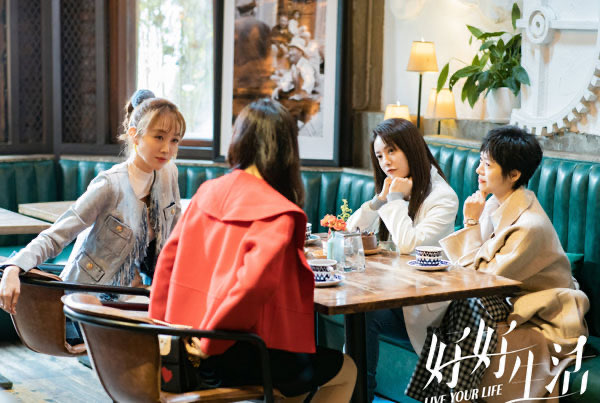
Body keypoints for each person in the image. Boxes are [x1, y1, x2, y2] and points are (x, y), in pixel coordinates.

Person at [149, 98, 356, 401]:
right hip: (234, 352)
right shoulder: (279, 212)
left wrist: (160, 334)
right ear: (287, 150)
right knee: (345, 368)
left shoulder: (207, 192)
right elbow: (250, 287)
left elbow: (167, 263)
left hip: (185, 348)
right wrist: (210, 343)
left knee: (296, 384)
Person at [416, 126, 588, 401]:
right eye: (480, 161)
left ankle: (449, 395)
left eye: (487, 164)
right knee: (455, 307)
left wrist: (470, 222)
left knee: (465, 305)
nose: (478, 170)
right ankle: (449, 395)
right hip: (508, 301)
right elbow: (474, 271)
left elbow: (480, 282)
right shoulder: (495, 205)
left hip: (542, 313)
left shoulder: (530, 226)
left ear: (514, 174)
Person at [0, 90, 185, 315]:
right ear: (135, 135)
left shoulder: (168, 173)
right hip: (90, 298)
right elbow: (57, 235)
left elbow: (177, 236)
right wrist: (14, 266)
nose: (167, 149)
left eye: (174, 140)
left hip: (135, 293)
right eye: (159, 137)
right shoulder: (110, 184)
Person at [345, 118, 458, 401]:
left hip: (427, 309)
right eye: (379, 155)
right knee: (357, 312)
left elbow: (409, 244)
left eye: (391, 151)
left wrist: (394, 198)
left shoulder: (443, 197)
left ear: (411, 148)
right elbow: (352, 230)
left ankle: (358, 395)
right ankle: (356, 394)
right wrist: (379, 201)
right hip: (397, 295)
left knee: (363, 314)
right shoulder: (398, 188)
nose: (385, 161)